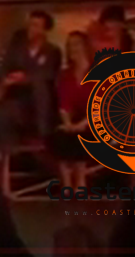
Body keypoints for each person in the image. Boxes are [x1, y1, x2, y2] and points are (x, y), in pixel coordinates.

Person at [0, 10, 62, 158]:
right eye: (30, 25)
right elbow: (4, 69)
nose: (31, 29)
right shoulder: (16, 50)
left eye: (36, 25)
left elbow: (48, 74)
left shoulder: (52, 51)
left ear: (44, 30)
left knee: (40, 86)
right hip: (17, 101)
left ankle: (41, 134)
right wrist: (7, 80)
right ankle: (8, 153)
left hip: (40, 104)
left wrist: (24, 78)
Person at [48, 31, 95, 190]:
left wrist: (81, 124)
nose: (72, 49)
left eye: (75, 44)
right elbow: (64, 104)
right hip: (74, 118)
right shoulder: (66, 75)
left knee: (81, 136)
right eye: (69, 46)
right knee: (61, 135)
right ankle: (67, 183)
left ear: (85, 47)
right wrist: (68, 123)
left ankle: (80, 182)